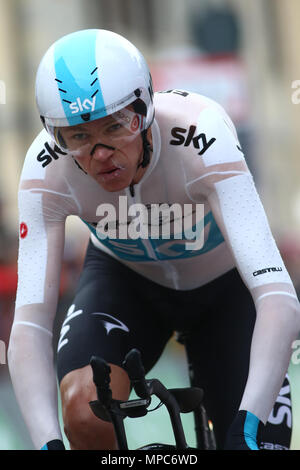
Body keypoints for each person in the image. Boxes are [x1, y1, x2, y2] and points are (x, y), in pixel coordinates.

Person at [8, 29, 300, 451]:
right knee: (84, 408)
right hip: (125, 283)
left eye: (116, 125)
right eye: (79, 136)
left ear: (145, 109)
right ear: (56, 137)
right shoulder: (45, 169)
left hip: (226, 290)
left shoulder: (201, 133)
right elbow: (30, 323)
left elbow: (277, 295)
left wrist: (249, 421)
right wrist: (48, 442)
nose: (101, 152)